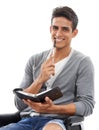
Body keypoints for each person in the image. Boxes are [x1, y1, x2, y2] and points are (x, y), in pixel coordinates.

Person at [0, 6, 95, 130]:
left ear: (74, 33)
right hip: (27, 120)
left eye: (65, 29)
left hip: (57, 122)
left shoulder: (83, 62)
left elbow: (87, 105)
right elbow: (19, 104)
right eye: (55, 28)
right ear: (50, 29)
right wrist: (40, 79)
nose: (58, 34)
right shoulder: (35, 60)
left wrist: (53, 109)